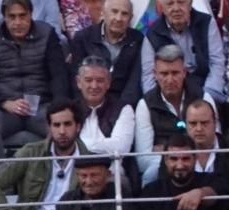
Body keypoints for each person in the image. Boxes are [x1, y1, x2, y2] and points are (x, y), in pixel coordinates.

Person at [0, 0, 73, 172]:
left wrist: (57, 109)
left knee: (62, 126)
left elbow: (59, 77)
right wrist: (5, 103)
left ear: (31, 15)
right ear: (4, 17)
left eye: (22, 16)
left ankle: (59, 183)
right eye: (12, 17)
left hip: (42, 106)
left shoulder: (47, 35)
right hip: (4, 108)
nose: (17, 22)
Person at [141, 136, 225, 210]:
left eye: (185, 159)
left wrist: (201, 193)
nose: (180, 165)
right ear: (166, 160)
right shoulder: (151, 191)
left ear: (195, 159)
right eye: (174, 159)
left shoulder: (211, 179)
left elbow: (218, 189)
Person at [141, 0, 224, 105]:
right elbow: (148, 77)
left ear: (190, 4)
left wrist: (207, 98)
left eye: (181, 2)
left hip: (205, 92)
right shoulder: (152, 34)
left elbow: (217, 63)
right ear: (162, 7)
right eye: (170, 3)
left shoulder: (207, 23)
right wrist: (160, 105)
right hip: (170, 98)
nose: (176, 8)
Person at [134, 44, 194, 187]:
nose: (170, 79)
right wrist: (175, 156)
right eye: (164, 74)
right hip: (162, 172)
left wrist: (164, 149)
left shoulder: (203, 98)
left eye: (175, 73)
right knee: (150, 173)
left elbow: (214, 146)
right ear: (155, 74)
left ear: (184, 72)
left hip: (198, 166)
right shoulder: (145, 105)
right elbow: (143, 160)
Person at [68, 0, 141, 108]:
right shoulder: (83, 38)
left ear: (130, 18)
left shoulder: (137, 40)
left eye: (124, 14)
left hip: (122, 104)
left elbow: (133, 82)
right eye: (114, 11)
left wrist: (124, 109)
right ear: (103, 12)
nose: (118, 18)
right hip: (87, 103)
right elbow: (76, 78)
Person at [73, 55, 134, 171]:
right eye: (88, 80)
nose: (94, 86)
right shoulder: (69, 109)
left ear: (108, 83)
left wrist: (80, 146)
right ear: (78, 82)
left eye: (100, 80)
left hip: (111, 171)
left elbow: (120, 148)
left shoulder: (123, 109)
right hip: (75, 172)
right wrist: (105, 145)